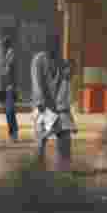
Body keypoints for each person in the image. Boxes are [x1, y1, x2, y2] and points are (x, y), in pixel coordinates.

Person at [31, 35, 76, 171]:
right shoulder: (38, 60)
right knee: (41, 139)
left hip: (59, 106)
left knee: (64, 135)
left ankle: (63, 167)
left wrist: (70, 70)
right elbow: (36, 82)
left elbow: (65, 80)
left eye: (57, 46)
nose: (55, 48)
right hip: (43, 105)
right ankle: (38, 168)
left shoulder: (61, 61)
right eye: (53, 45)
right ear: (47, 46)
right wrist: (40, 101)